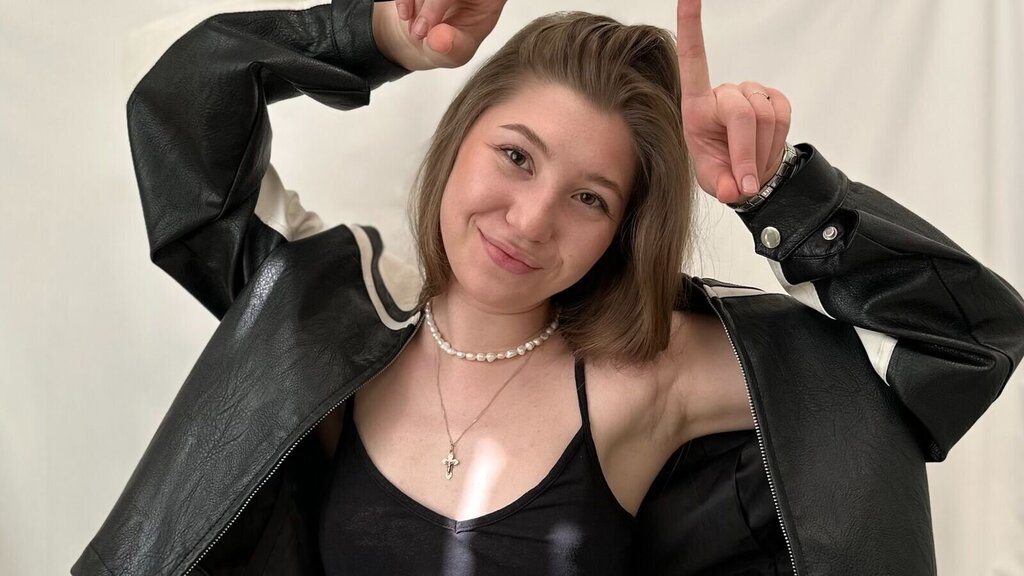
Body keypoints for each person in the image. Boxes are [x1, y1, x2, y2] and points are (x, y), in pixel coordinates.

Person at [72, 0, 1024, 574]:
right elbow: (172, 92)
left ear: (621, 230)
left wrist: (781, 197)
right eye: (516, 156)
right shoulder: (325, 317)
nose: (530, 220)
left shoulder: (657, 377)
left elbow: (968, 339)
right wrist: (374, 33)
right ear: (460, 138)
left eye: (589, 197)